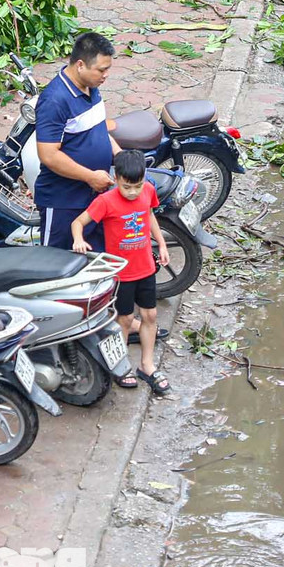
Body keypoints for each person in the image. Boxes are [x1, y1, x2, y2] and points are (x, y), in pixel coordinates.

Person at [71, 150, 171, 396]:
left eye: (137, 186)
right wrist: (78, 240)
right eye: (127, 187)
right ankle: (122, 365)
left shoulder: (148, 191)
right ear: (116, 178)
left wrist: (161, 243)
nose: (133, 192)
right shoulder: (105, 201)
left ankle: (147, 365)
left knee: (150, 315)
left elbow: (149, 215)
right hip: (121, 273)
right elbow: (78, 222)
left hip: (145, 268)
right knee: (124, 319)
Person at [34, 32, 122, 253]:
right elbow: (48, 155)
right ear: (80, 65)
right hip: (64, 202)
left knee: (94, 259)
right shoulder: (55, 100)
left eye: (108, 69)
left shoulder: (92, 87)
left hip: (94, 198)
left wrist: (119, 154)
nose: (106, 75)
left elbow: (98, 129)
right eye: (101, 70)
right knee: (57, 261)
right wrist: (90, 177)